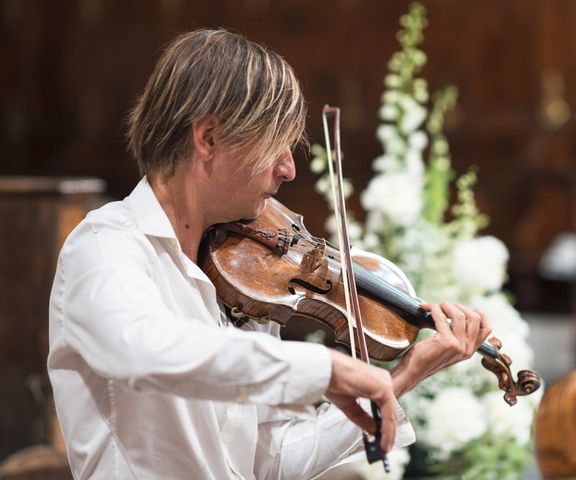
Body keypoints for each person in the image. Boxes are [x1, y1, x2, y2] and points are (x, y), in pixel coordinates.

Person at [48, 29, 491, 479]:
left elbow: (268, 462)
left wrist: (401, 378)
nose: (289, 168)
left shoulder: (242, 280)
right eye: (274, 143)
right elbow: (142, 350)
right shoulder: (105, 247)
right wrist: (324, 368)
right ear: (209, 138)